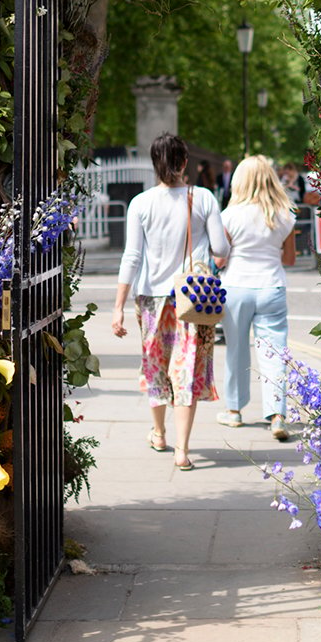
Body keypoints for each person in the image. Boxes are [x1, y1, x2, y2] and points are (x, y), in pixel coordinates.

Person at [113, 134, 231, 470]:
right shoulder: (203, 198)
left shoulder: (141, 203)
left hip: (151, 298)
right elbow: (221, 249)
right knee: (186, 368)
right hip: (192, 298)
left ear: (154, 163)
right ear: (183, 163)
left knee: (156, 366)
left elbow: (132, 256)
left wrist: (118, 306)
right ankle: (182, 450)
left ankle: (159, 432)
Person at [216, 156, 297, 441]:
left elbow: (220, 259)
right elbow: (289, 259)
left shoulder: (229, 216)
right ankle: (277, 415)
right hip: (271, 286)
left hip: (236, 287)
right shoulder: (286, 215)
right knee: (274, 353)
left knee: (236, 350)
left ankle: (234, 411)